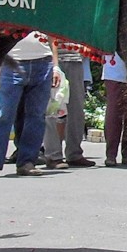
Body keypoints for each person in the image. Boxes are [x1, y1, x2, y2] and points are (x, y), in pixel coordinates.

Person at [0, 30, 61, 178]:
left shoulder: (45, 9)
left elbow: (52, 35)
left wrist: (56, 66)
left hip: (43, 62)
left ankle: (27, 162)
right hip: (13, 61)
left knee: (36, 116)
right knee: (4, 113)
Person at [42, 40, 93, 169]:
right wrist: (55, 65)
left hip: (75, 59)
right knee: (53, 107)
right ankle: (53, 155)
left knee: (77, 109)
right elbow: (49, 35)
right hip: (53, 60)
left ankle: (74, 154)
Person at [102, 50, 127, 167]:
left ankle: (123, 153)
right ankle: (115, 154)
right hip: (115, 64)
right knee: (115, 111)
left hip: (115, 64)